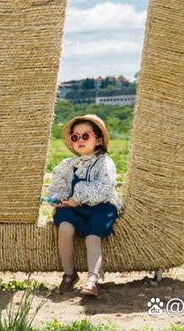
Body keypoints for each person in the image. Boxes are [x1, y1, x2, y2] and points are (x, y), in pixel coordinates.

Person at [45, 114, 123, 297]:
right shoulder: (68, 165)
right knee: (64, 227)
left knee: (92, 236)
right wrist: (61, 200)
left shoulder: (104, 163)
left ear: (98, 140)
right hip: (74, 208)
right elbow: (58, 188)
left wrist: (77, 197)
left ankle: (92, 280)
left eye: (85, 136)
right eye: (75, 137)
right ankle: (69, 274)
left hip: (100, 207)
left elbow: (104, 188)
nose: (79, 140)